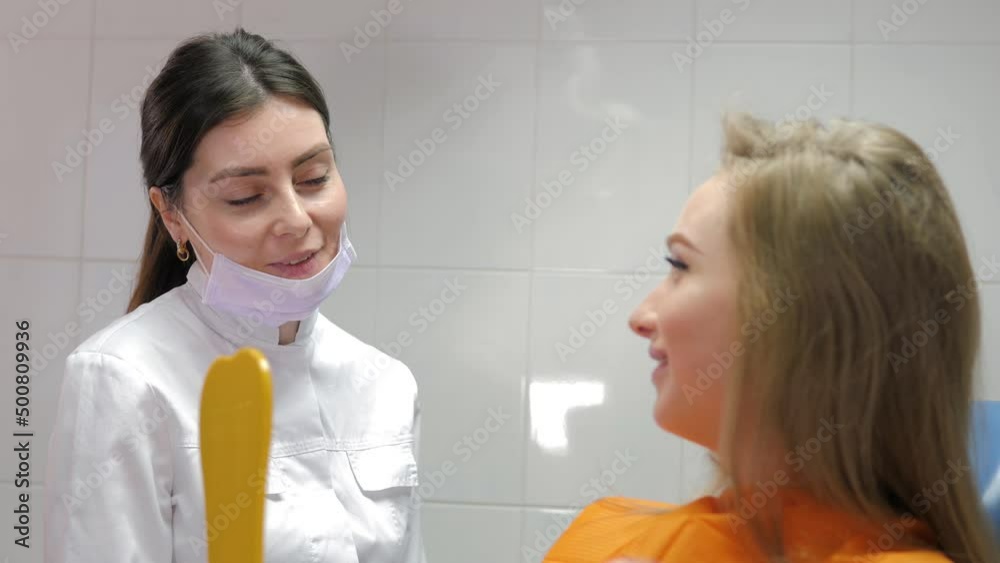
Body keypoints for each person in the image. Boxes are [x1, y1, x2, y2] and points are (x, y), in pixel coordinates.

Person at [543, 113, 999, 562]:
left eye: (680, 267)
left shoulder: (615, 543)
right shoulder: (605, 536)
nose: (640, 317)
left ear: (803, 322)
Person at [43, 28, 425, 563]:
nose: (295, 220)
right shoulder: (123, 379)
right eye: (246, 197)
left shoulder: (383, 382)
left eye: (314, 177)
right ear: (171, 213)